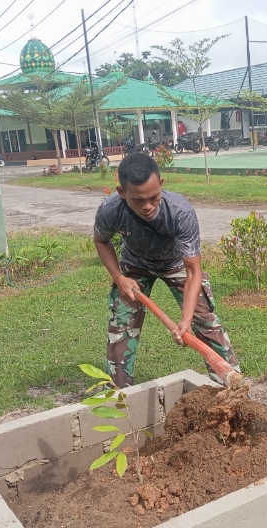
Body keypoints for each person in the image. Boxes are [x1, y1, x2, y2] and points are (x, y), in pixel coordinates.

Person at [93, 153, 241, 388]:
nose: (148, 206)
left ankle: (231, 387)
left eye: (153, 197)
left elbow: (194, 272)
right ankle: (117, 395)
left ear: (161, 184)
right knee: (122, 323)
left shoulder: (179, 212)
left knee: (206, 321)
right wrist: (119, 277)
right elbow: (101, 241)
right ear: (122, 193)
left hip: (177, 264)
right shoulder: (111, 209)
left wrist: (186, 319)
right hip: (135, 265)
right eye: (138, 200)